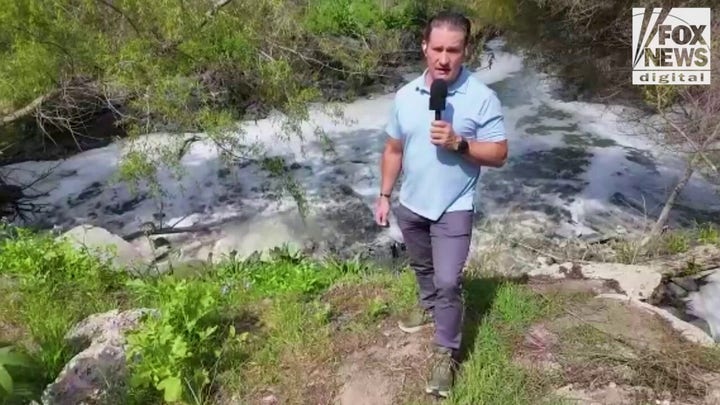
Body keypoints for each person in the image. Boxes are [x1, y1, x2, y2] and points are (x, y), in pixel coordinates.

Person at [374, 10, 509, 397]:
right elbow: (393, 149)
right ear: (424, 48)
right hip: (411, 202)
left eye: (453, 50)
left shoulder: (482, 98)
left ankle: (445, 352)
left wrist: (459, 143)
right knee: (422, 266)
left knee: (448, 281)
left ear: (466, 51)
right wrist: (384, 195)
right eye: (437, 49)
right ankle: (427, 302)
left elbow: (499, 154)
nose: (444, 59)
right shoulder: (405, 96)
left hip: (454, 204)